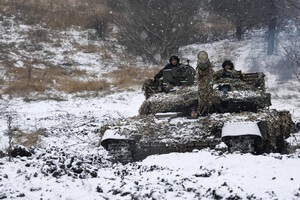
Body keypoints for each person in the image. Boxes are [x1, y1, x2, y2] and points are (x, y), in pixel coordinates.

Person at [196, 51, 216, 116]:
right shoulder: (199, 70)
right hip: (203, 93)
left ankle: (205, 110)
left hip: (208, 91)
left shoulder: (210, 72)